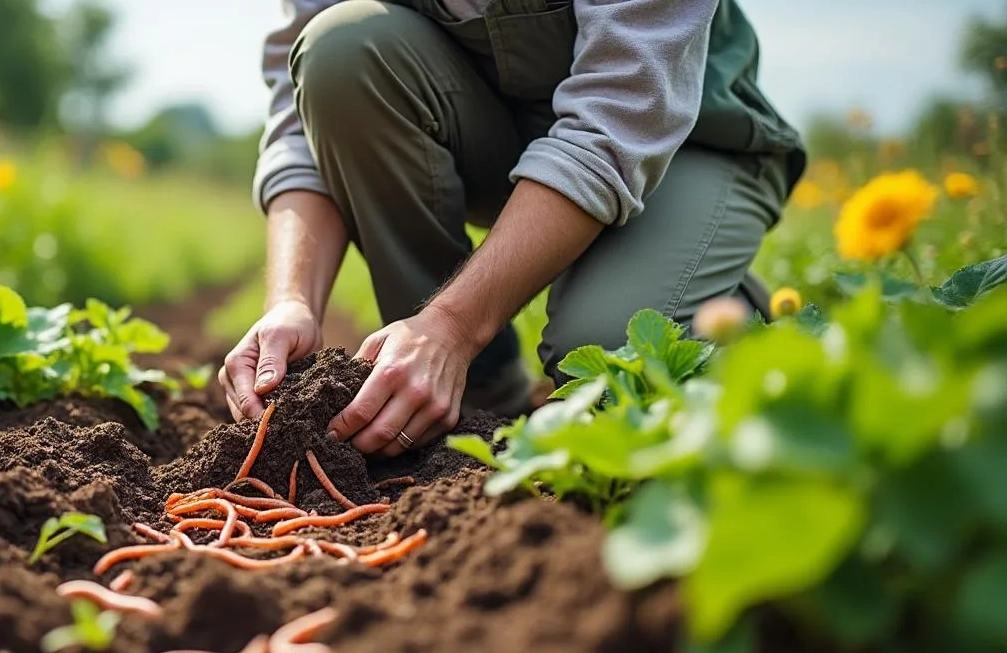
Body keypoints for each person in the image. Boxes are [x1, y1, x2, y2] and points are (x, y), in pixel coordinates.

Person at [219, 0, 805, 457]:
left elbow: (618, 119)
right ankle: (470, 401)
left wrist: (451, 324)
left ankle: (743, 312)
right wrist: (291, 301)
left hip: (687, 142)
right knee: (338, 48)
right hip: (505, 135)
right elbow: (301, 121)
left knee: (609, 362)